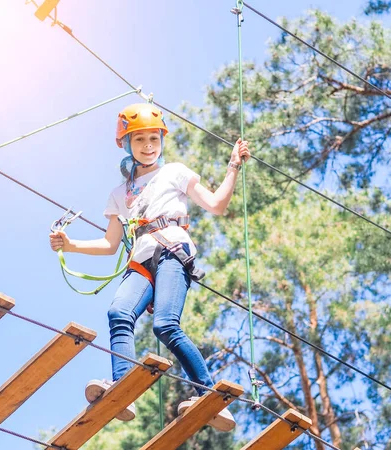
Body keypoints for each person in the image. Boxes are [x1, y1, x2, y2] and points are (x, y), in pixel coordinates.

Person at [49, 103, 250, 431]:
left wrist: (232, 168)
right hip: (140, 260)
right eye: (139, 139)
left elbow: (216, 205)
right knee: (118, 314)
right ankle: (122, 387)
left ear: (161, 140)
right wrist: (69, 245)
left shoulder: (174, 172)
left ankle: (209, 394)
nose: (147, 145)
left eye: (153, 138)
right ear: (126, 144)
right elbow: (110, 244)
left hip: (172, 250)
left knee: (165, 325)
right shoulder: (119, 194)